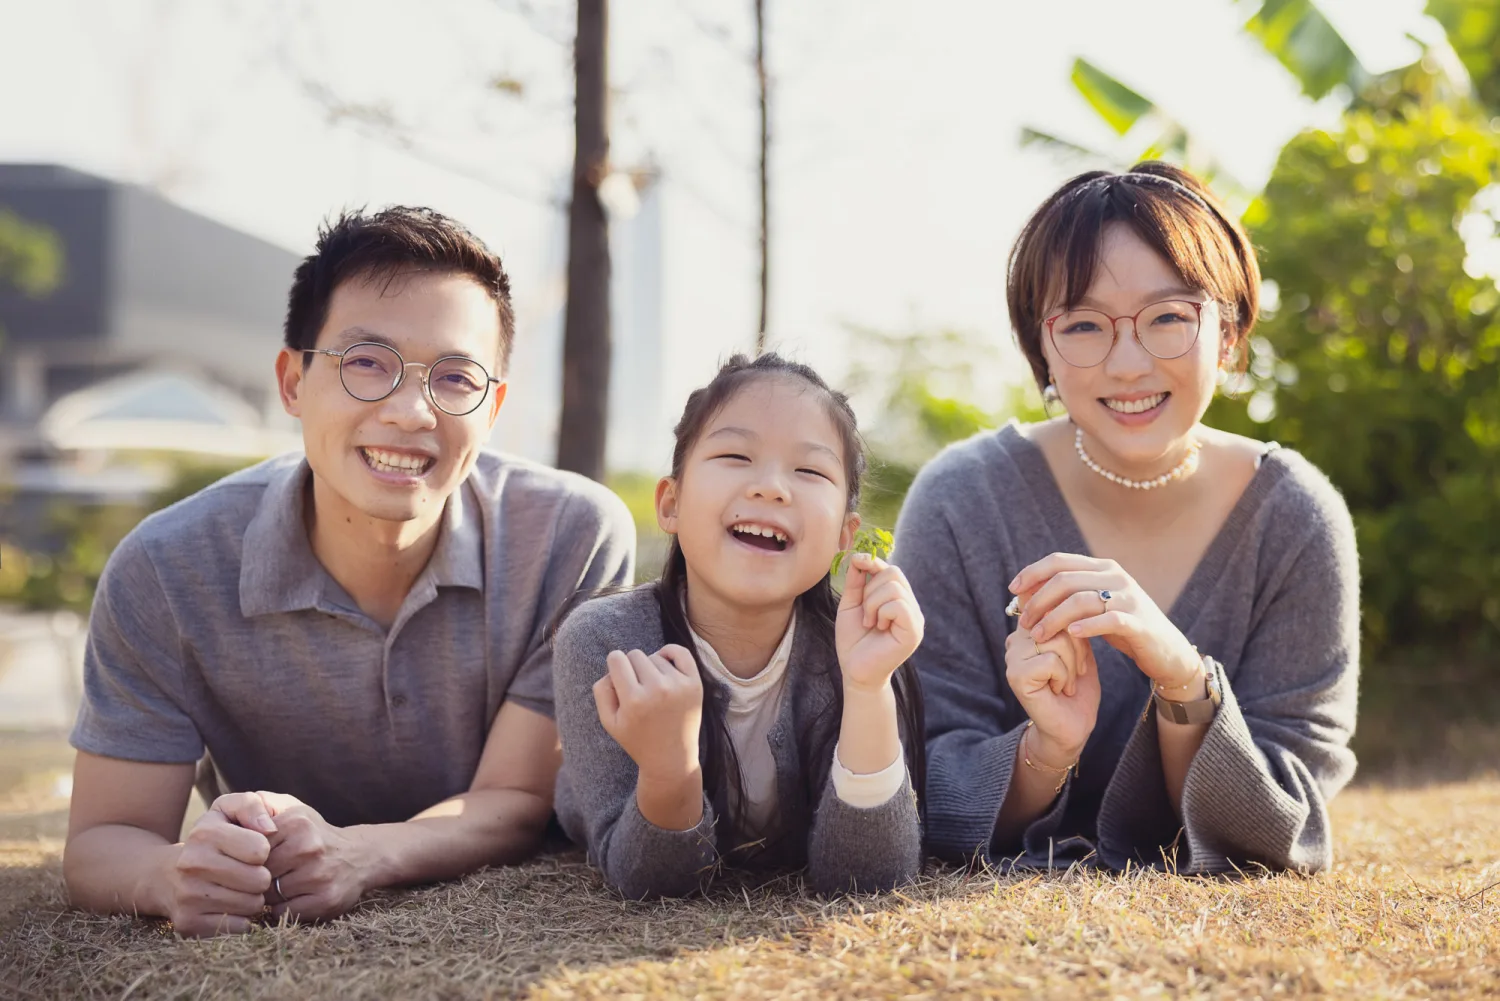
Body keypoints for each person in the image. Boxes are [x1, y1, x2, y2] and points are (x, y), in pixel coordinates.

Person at [63, 207, 635, 937]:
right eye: (367, 363)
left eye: (455, 377)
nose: (409, 411)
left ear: (492, 407)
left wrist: (357, 855)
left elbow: (516, 797)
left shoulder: (571, 534)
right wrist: (170, 873)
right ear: (294, 380)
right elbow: (102, 840)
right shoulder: (166, 568)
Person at [895, 162, 1359, 874]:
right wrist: (1044, 748)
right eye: (1083, 325)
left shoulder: (1296, 519)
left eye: (1169, 317)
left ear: (1228, 334)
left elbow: (1282, 821)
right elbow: (921, 789)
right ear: (1041, 350)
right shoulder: (960, 501)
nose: (1128, 363)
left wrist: (1180, 678)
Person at [552, 353, 925, 899]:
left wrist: (868, 688)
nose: (772, 487)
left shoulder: (859, 644)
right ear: (671, 504)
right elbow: (651, 882)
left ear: (846, 535)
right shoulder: (603, 643)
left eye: (810, 471)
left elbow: (869, 878)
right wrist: (669, 767)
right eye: (734, 455)